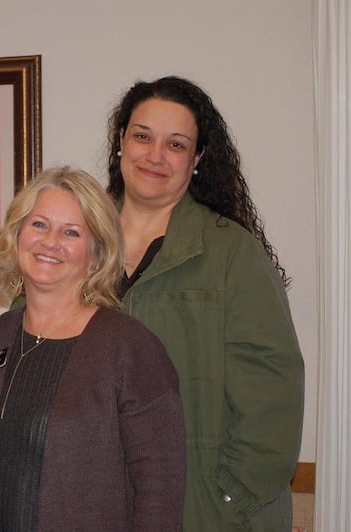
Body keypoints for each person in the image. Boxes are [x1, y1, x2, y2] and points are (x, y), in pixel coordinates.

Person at [106, 75, 304, 531]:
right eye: (142, 136)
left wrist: (231, 498)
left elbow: (273, 394)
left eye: (175, 144)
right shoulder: (72, 242)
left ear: (196, 159)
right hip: (97, 502)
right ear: (121, 142)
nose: (155, 155)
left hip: (206, 510)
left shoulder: (233, 253)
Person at [0, 166, 186, 531]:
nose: (50, 242)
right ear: (17, 234)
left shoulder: (130, 348)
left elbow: (161, 490)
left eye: (71, 232)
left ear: (96, 255)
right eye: (39, 225)